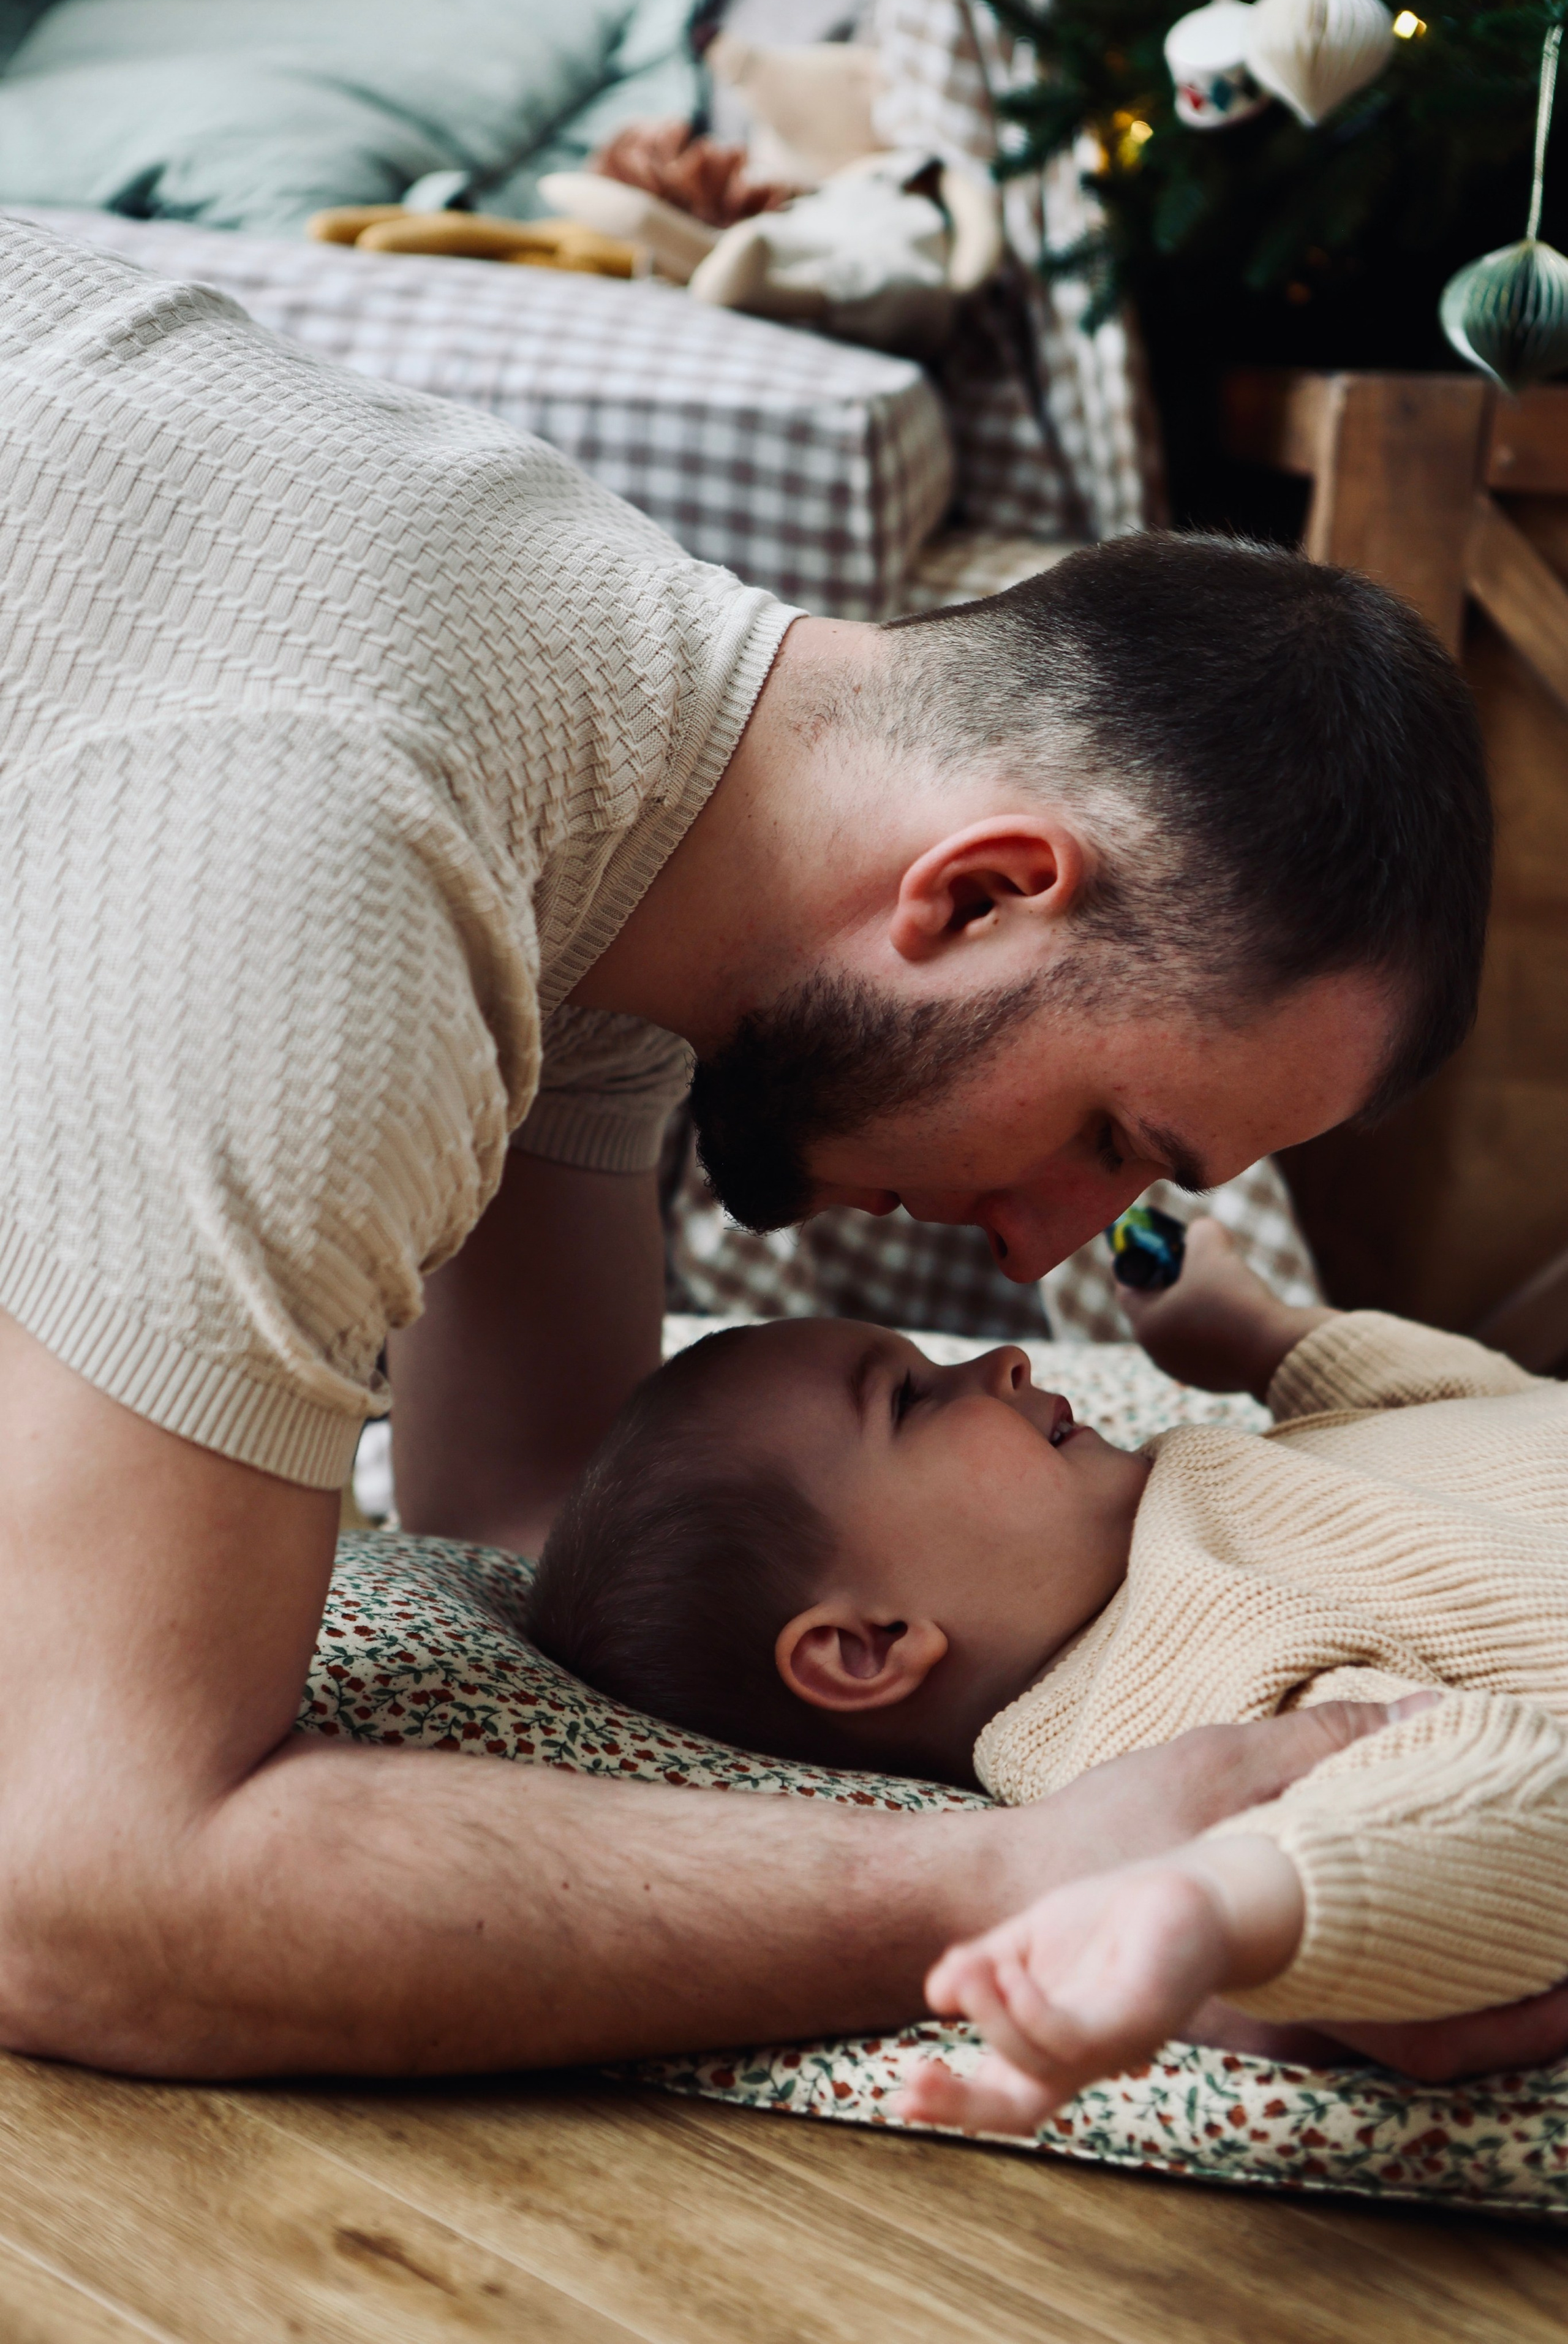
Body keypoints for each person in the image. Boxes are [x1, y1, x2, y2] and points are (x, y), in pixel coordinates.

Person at [0, 209, 1555, 2086]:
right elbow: (76, 1888)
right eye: (1104, 1135)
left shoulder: (607, 753)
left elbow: (538, 1513)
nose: (1038, 1256)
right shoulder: (340, 871)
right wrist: (1015, 1883)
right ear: (977, 892)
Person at [526, 1220, 1568, 2114]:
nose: (1007, 1362)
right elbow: (1487, 1812)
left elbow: (1467, 1407)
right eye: (913, 1402)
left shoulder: (1174, 1484)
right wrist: (1220, 1902)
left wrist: (1263, 1337)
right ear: (869, 1646)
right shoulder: (1143, 1703)